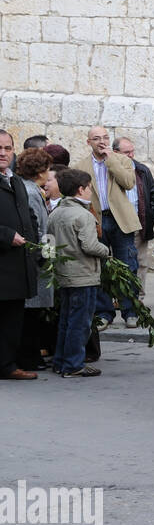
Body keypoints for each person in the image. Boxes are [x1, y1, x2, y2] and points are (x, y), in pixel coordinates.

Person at [47, 169, 111, 378]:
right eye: (89, 187)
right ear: (81, 189)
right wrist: (106, 252)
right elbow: (90, 246)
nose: (91, 191)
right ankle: (73, 364)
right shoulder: (83, 215)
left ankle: (61, 361)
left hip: (64, 275)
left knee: (66, 319)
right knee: (80, 322)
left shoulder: (55, 213)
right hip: (83, 276)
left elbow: (48, 243)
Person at [77, 126, 141, 329]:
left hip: (120, 218)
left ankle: (130, 311)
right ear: (89, 142)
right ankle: (104, 312)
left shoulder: (122, 160)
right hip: (96, 220)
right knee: (101, 267)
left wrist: (110, 159)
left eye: (105, 137)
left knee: (127, 266)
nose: (102, 141)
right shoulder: (81, 166)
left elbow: (129, 182)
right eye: (96, 138)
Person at [0, 131, 39, 380]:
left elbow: (29, 217)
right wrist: (5, 235)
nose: (2, 153)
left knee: (12, 319)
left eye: (7, 148)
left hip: (17, 265)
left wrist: (36, 245)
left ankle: (7, 364)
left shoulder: (15, 182)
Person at [14, 149, 53, 371]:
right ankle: (29, 357)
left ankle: (32, 355)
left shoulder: (31, 190)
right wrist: (47, 256)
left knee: (33, 311)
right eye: (47, 169)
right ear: (39, 171)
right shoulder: (30, 192)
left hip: (38, 254)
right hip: (37, 257)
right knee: (31, 312)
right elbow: (37, 227)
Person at [112, 137, 154, 280]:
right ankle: (119, 300)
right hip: (118, 224)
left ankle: (139, 298)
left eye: (132, 151)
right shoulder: (109, 170)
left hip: (140, 223)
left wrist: (151, 216)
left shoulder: (142, 170)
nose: (131, 155)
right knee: (118, 261)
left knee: (141, 262)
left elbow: (153, 194)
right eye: (127, 152)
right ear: (115, 152)